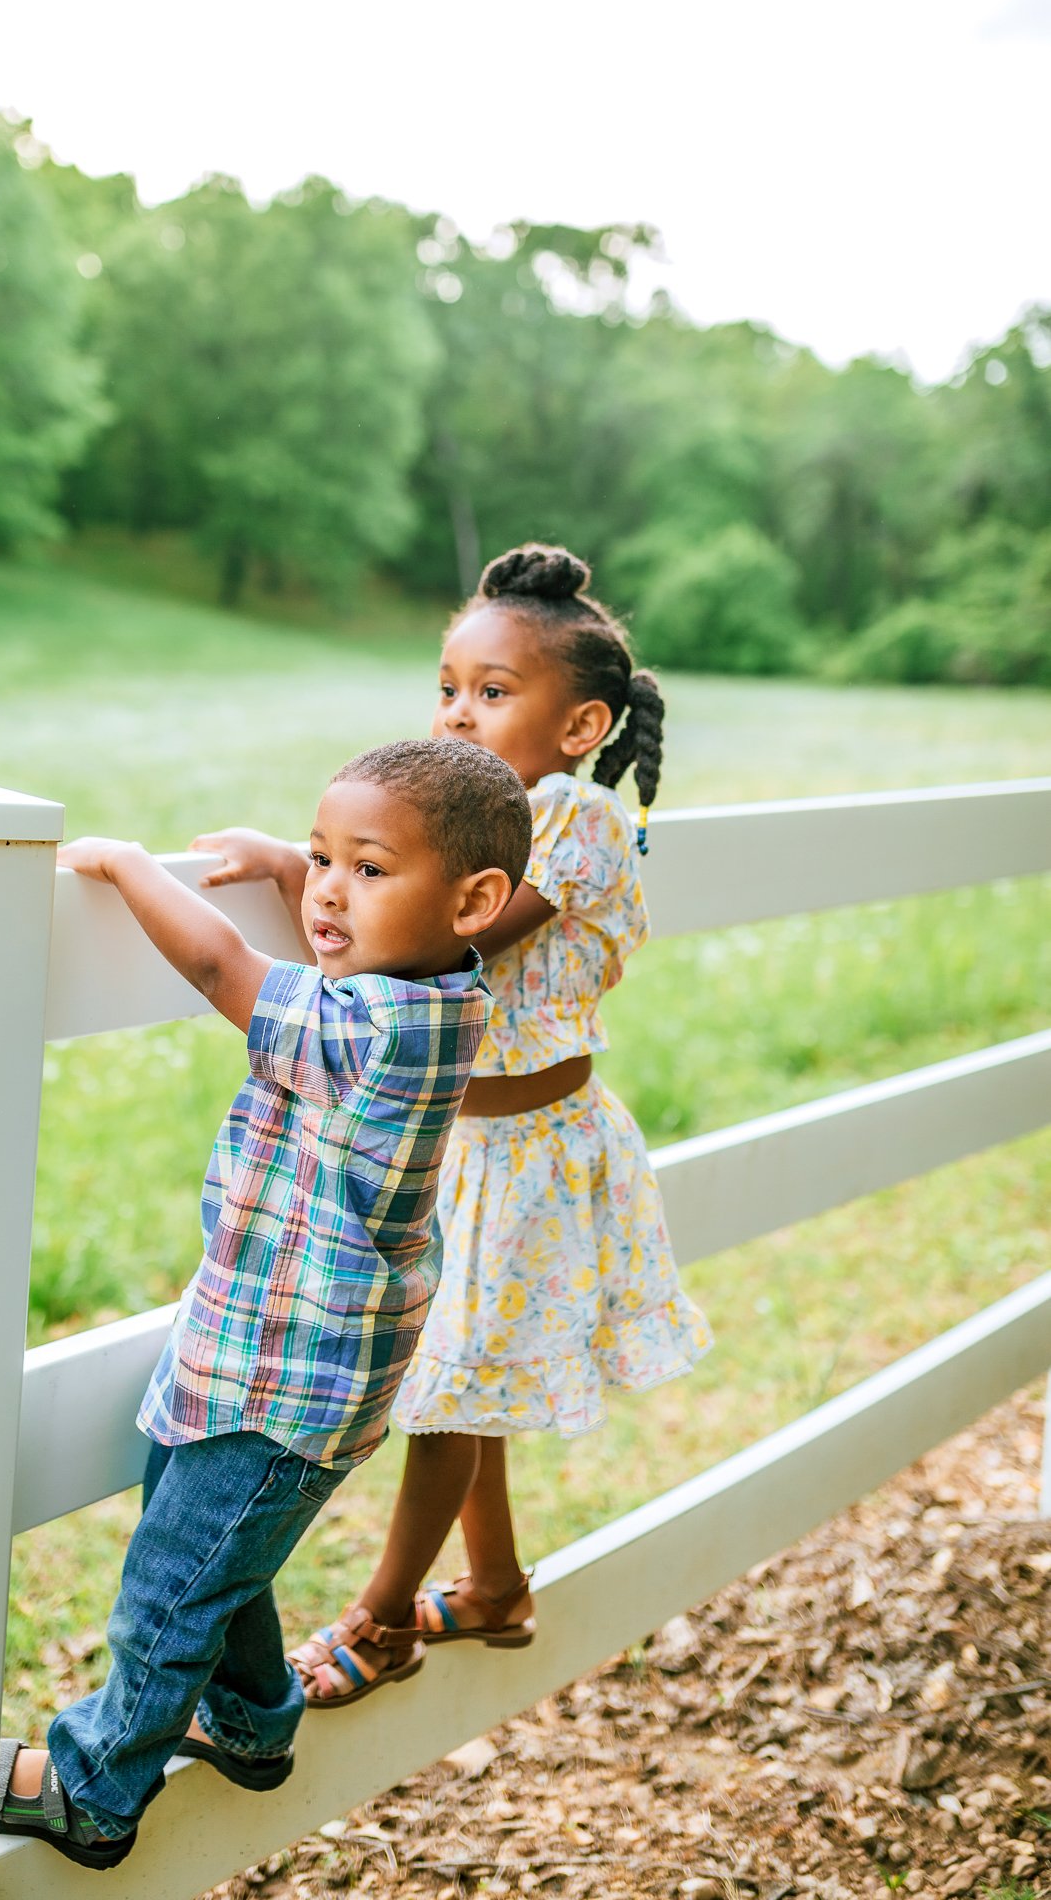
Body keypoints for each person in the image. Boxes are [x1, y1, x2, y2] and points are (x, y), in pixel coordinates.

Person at [0, 737, 531, 1869]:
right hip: (258, 1341)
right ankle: (249, 1719)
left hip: (293, 1373)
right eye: (325, 854)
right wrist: (296, 863)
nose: (332, 888)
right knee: (204, 1555)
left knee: (169, 1587)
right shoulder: (434, 984)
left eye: (368, 867)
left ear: (476, 897)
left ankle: (94, 1787)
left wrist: (137, 866)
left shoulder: (381, 1028)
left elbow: (220, 968)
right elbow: (351, 923)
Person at [197, 543, 712, 1709]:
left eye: (493, 691)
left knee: (445, 1394)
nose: (458, 713)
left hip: (530, 1152)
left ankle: (381, 1620)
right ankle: (494, 1585)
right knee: (457, 1373)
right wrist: (327, 862)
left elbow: (437, 942)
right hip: (459, 1146)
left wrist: (302, 867)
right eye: (447, 686)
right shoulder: (483, 820)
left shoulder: (570, 819)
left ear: (580, 723)